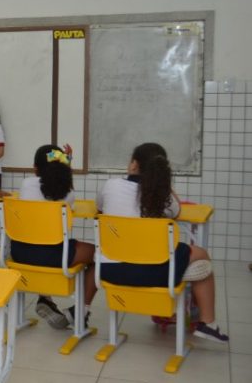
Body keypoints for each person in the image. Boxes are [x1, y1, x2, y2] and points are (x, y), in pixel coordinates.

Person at [97, 142, 228, 343]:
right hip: (155, 274)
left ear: (133, 164)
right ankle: (207, 322)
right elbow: (177, 212)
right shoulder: (163, 197)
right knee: (201, 255)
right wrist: (164, 185)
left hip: (110, 270)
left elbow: (100, 207)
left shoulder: (110, 186)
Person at [15, 144, 97, 329]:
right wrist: (67, 166)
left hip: (20, 252)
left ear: (35, 168)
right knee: (97, 255)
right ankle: (80, 312)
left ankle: (45, 298)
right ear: (62, 165)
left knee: (41, 242)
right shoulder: (67, 193)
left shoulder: (26, 185)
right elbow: (66, 193)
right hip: (52, 256)